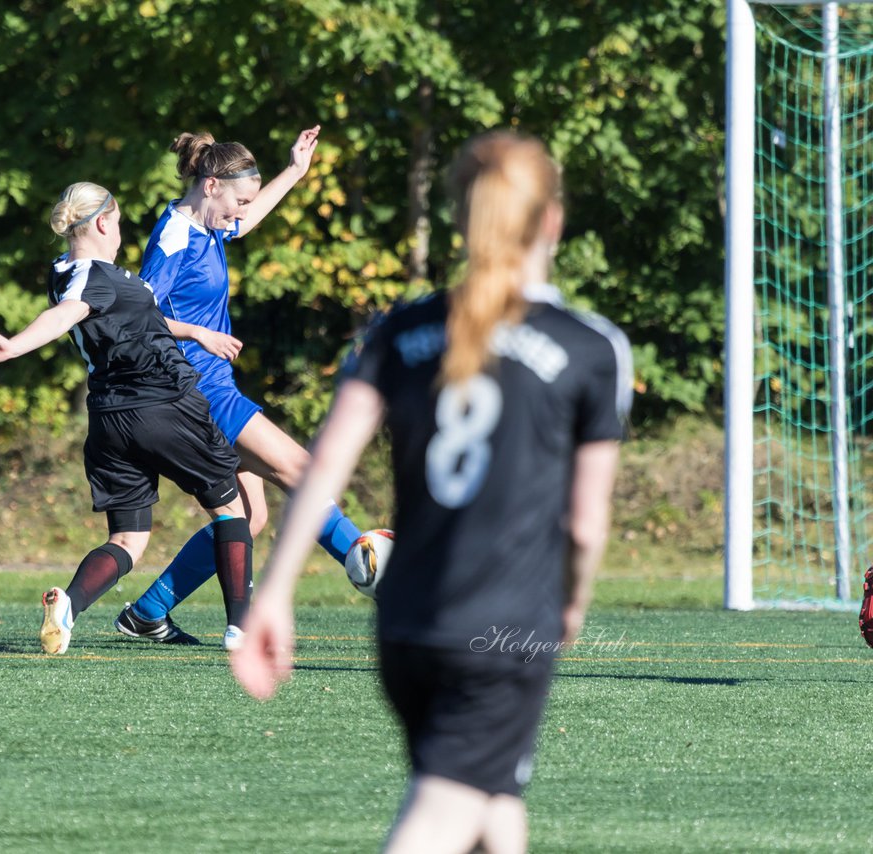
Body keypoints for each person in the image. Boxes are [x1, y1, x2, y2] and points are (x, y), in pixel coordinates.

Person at [230, 131, 632, 854]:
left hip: (407, 628)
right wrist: (569, 604)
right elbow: (584, 523)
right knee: (442, 816)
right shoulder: (589, 346)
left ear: (460, 217)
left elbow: (324, 467)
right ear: (553, 221)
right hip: (503, 628)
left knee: (493, 808)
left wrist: (277, 592)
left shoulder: (400, 331)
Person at [0, 182, 252, 655]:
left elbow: (141, 320)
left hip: (109, 419)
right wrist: (14, 346)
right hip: (164, 406)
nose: (120, 233)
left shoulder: (71, 270)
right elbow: (67, 312)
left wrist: (196, 332)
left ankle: (69, 607)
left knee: (128, 538)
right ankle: (241, 630)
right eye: (118, 223)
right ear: (103, 223)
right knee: (231, 509)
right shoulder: (87, 278)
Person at [113, 125, 366, 651]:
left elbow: (244, 221)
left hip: (211, 385)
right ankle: (372, 567)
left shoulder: (206, 225)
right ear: (210, 185)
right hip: (198, 390)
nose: (241, 214)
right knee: (301, 470)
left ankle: (148, 612)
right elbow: (140, 314)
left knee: (249, 519)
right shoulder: (174, 236)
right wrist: (198, 332)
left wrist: (295, 171)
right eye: (238, 202)